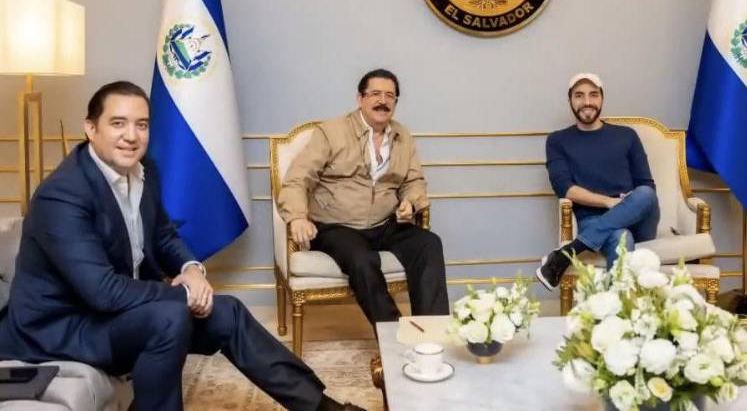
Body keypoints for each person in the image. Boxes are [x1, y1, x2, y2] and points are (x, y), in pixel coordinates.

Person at [0, 81, 362, 411]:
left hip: (108, 316)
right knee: (168, 316)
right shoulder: (62, 195)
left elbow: (163, 235)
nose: (131, 136)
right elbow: (102, 292)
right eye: (118, 123)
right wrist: (183, 295)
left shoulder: (144, 170)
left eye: (141, 124)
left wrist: (191, 270)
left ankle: (321, 408)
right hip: (61, 329)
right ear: (91, 128)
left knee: (229, 312)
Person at [278, 68, 449, 324]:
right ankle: (394, 335)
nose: (383, 101)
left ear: (395, 103)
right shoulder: (331, 132)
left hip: (384, 224)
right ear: (360, 99)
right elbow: (297, 178)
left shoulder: (403, 137)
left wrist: (410, 202)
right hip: (337, 227)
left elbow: (414, 181)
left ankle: (431, 333)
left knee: (429, 243)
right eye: (376, 94)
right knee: (362, 259)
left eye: (390, 96)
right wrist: (298, 217)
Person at [537, 73, 660, 290]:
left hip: (638, 220)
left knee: (646, 194)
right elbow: (565, 189)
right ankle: (616, 310)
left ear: (602, 99)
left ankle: (568, 253)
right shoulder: (557, 141)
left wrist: (624, 205)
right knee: (621, 236)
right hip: (591, 219)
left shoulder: (626, 135)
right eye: (579, 95)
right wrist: (609, 202)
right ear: (570, 101)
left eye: (593, 95)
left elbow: (647, 186)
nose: (587, 102)